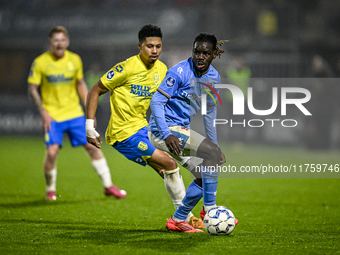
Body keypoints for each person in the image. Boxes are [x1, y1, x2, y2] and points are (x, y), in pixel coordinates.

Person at [85, 24, 204, 229]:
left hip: (144, 128)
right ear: (140, 46)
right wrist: (89, 125)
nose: (155, 50)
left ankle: (190, 216)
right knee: (170, 164)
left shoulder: (162, 69)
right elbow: (95, 90)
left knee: (178, 166)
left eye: (158, 46)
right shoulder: (126, 68)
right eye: (149, 46)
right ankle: (181, 220)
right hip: (123, 133)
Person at [148, 33, 238, 232]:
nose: (200, 56)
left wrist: (214, 146)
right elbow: (156, 101)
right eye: (197, 51)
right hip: (163, 130)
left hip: (179, 130)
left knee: (203, 174)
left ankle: (178, 219)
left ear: (214, 54)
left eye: (205, 53)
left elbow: (209, 112)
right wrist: (166, 133)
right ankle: (210, 209)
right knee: (210, 161)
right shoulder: (178, 71)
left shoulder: (213, 77)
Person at [27, 26, 126, 201]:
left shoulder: (75, 60)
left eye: (62, 40)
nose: (59, 44)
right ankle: (50, 189)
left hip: (74, 114)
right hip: (53, 116)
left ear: (67, 42)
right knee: (52, 152)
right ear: (51, 43)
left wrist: (90, 110)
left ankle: (109, 186)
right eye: (56, 40)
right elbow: (32, 89)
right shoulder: (40, 62)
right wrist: (43, 111)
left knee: (93, 146)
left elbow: (80, 84)